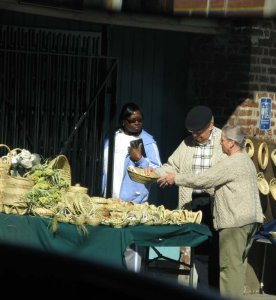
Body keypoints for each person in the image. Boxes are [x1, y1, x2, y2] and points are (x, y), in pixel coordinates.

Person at [158, 125, 264, 298]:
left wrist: (175, 178)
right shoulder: (247, 161)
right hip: (250, 222)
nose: (220, 144)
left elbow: (203, 179)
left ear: (231, 143)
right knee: (237, 269)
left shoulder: (231, 163)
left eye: (222, 141)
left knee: (229, 271)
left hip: (235, 223)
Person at [154, 105, 226, 291]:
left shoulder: (224, 141)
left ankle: (216, 290)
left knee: (217, 250)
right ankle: (204, 291)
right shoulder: (187, 144)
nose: (195, 136)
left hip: (217, 203)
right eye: (192, 132)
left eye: (199, 132)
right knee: (200, 249)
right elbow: (172, 165)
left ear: (211, 125)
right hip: (195, 203)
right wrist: (156, 173)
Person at [102, 102, 162, 272]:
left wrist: (140, 160)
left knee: (131, 248)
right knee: (111, 244)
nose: (137, 123)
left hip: (133, 203)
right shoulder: (113, 137)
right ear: (123, 121)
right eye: (133, 120)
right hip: (110, 199)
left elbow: (159, 170)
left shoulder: (147, 141)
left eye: (140, 120)